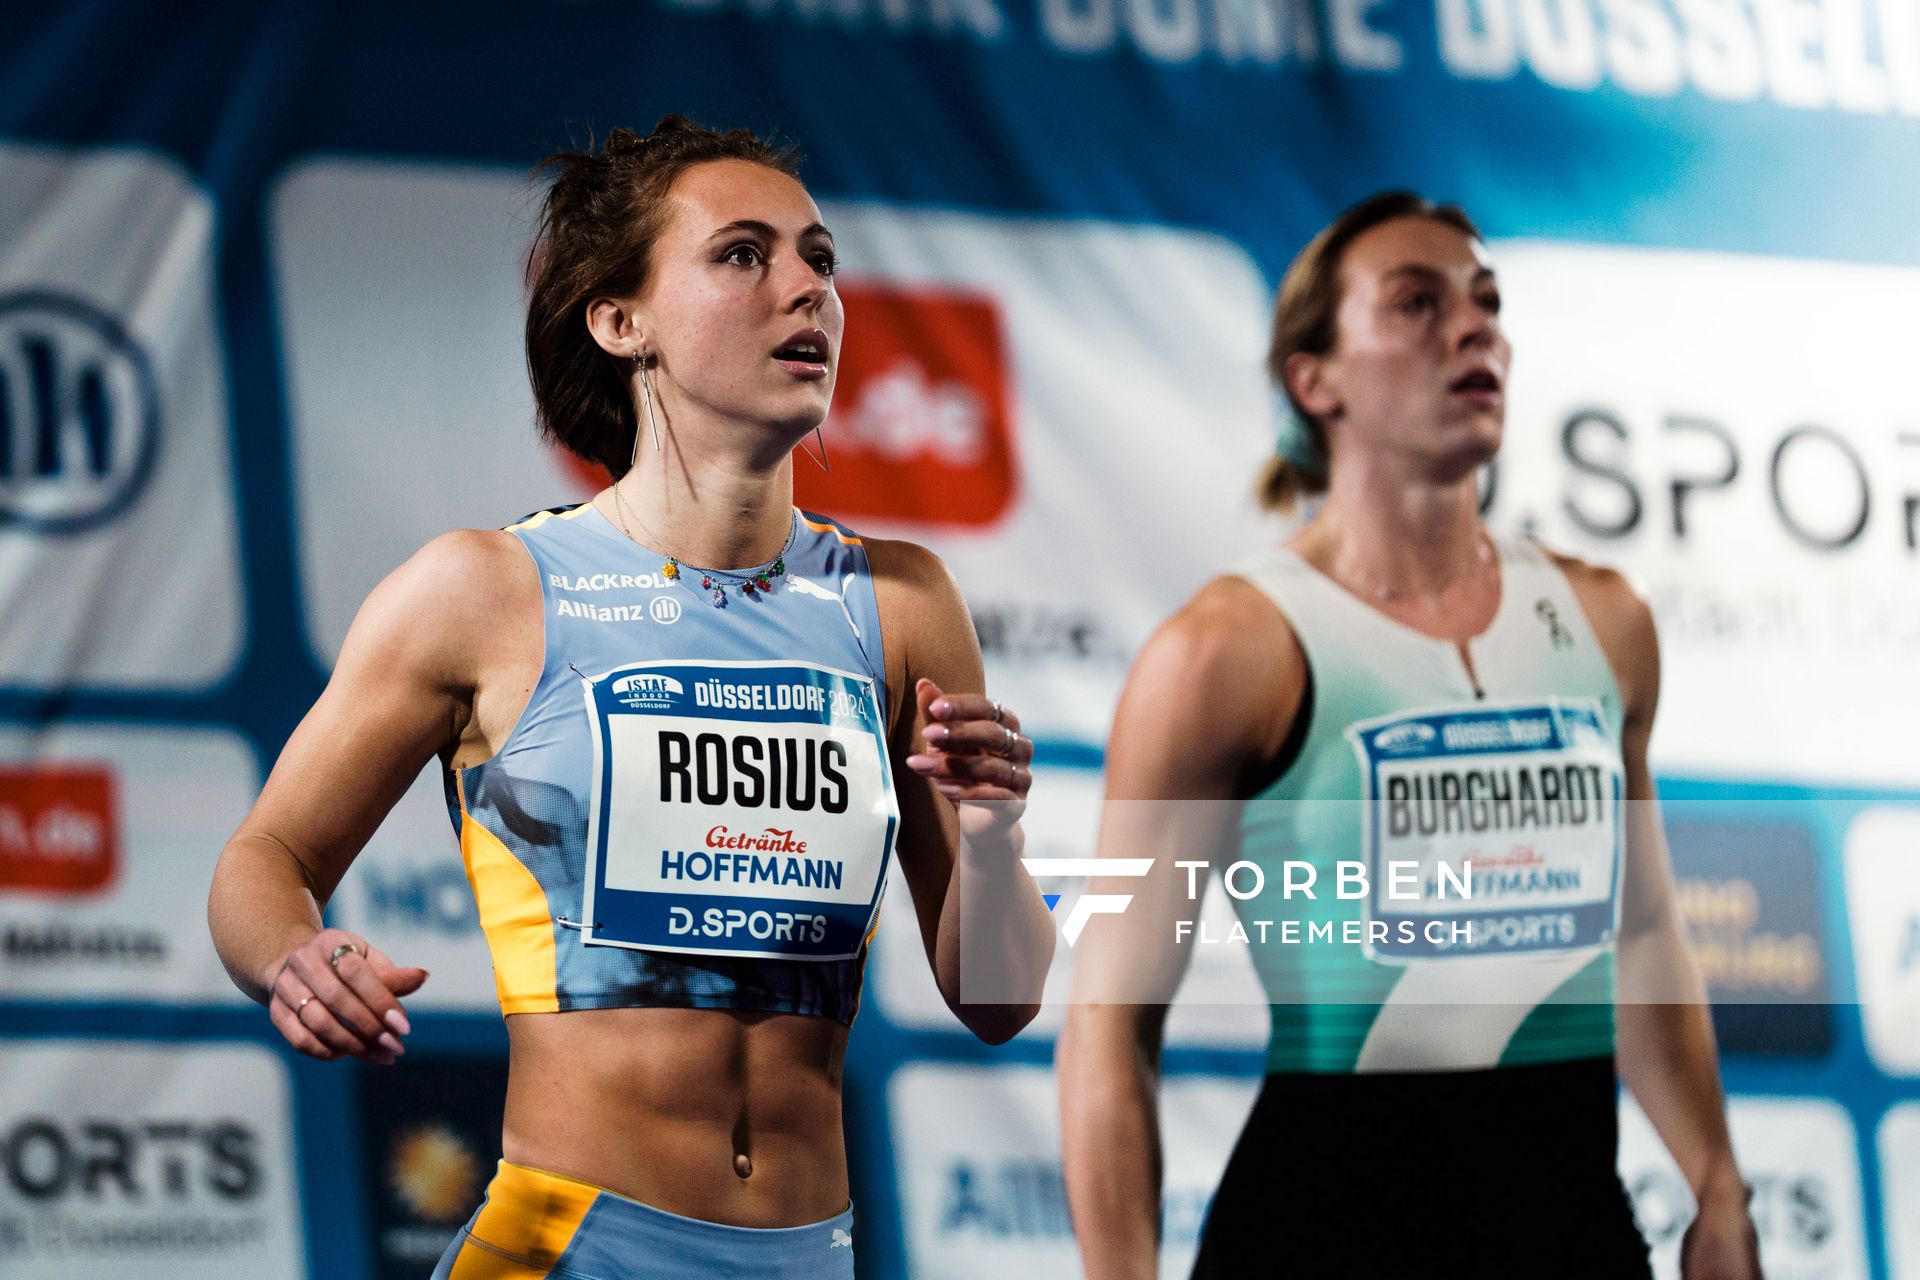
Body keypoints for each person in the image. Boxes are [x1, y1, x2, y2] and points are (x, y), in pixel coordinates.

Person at [208, 115, 1054, 1279]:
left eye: (819, 258)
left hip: (811, 1254)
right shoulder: (482, 592)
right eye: (744, 254)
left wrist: (994, 830)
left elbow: (999, 1001)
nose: (807, 287)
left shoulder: (901, 601)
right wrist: (292, 957)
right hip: (569, 1247)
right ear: (620, 321)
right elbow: (265, 855)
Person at [1055, 192, 1761, 1278]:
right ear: (1316, 380)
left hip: (1570, 1235)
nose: (1472, 328)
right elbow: (1110, 1023)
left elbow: (1647, 932)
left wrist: (1717, 1184)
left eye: (1487, 302)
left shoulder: (1605, 620)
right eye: (1418, 304)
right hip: (1316, 1243)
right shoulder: (1224, 652)